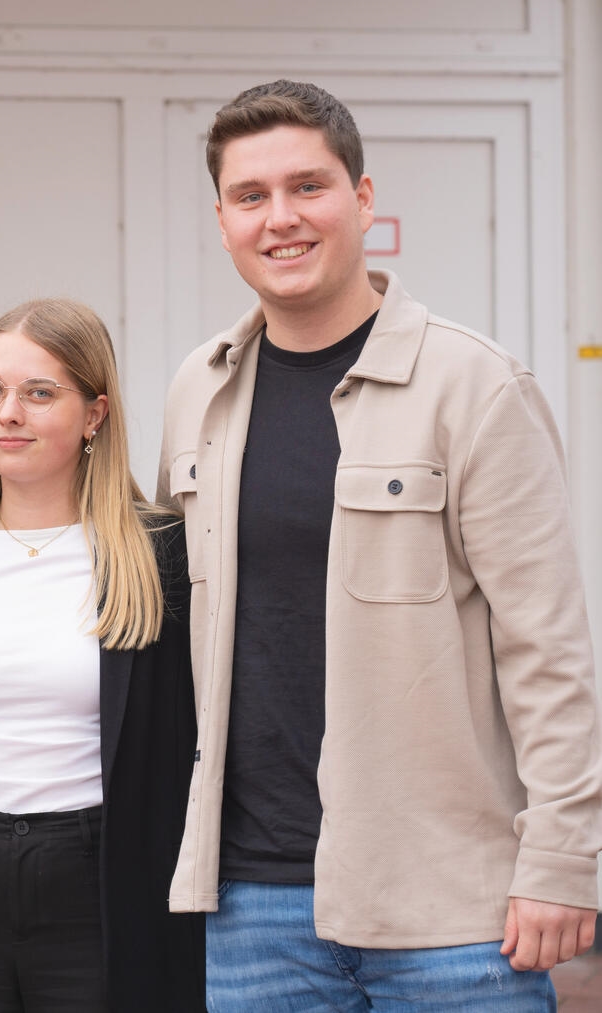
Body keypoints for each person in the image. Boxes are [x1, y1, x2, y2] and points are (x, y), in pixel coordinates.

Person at [157, 78, 602, 1010]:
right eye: (251, 196)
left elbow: (549, 650)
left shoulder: (474, 386)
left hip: (451, 912)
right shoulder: (199, 389)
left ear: (362, 200)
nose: (281, 218)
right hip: (252, 906)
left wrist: (564, 856)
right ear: (222, 219)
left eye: (308, 187)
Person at [0, 298, 205, 1012]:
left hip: (103, 879)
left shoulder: (159, 553)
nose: (9, 413)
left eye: (40, 393)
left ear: (94, 414)